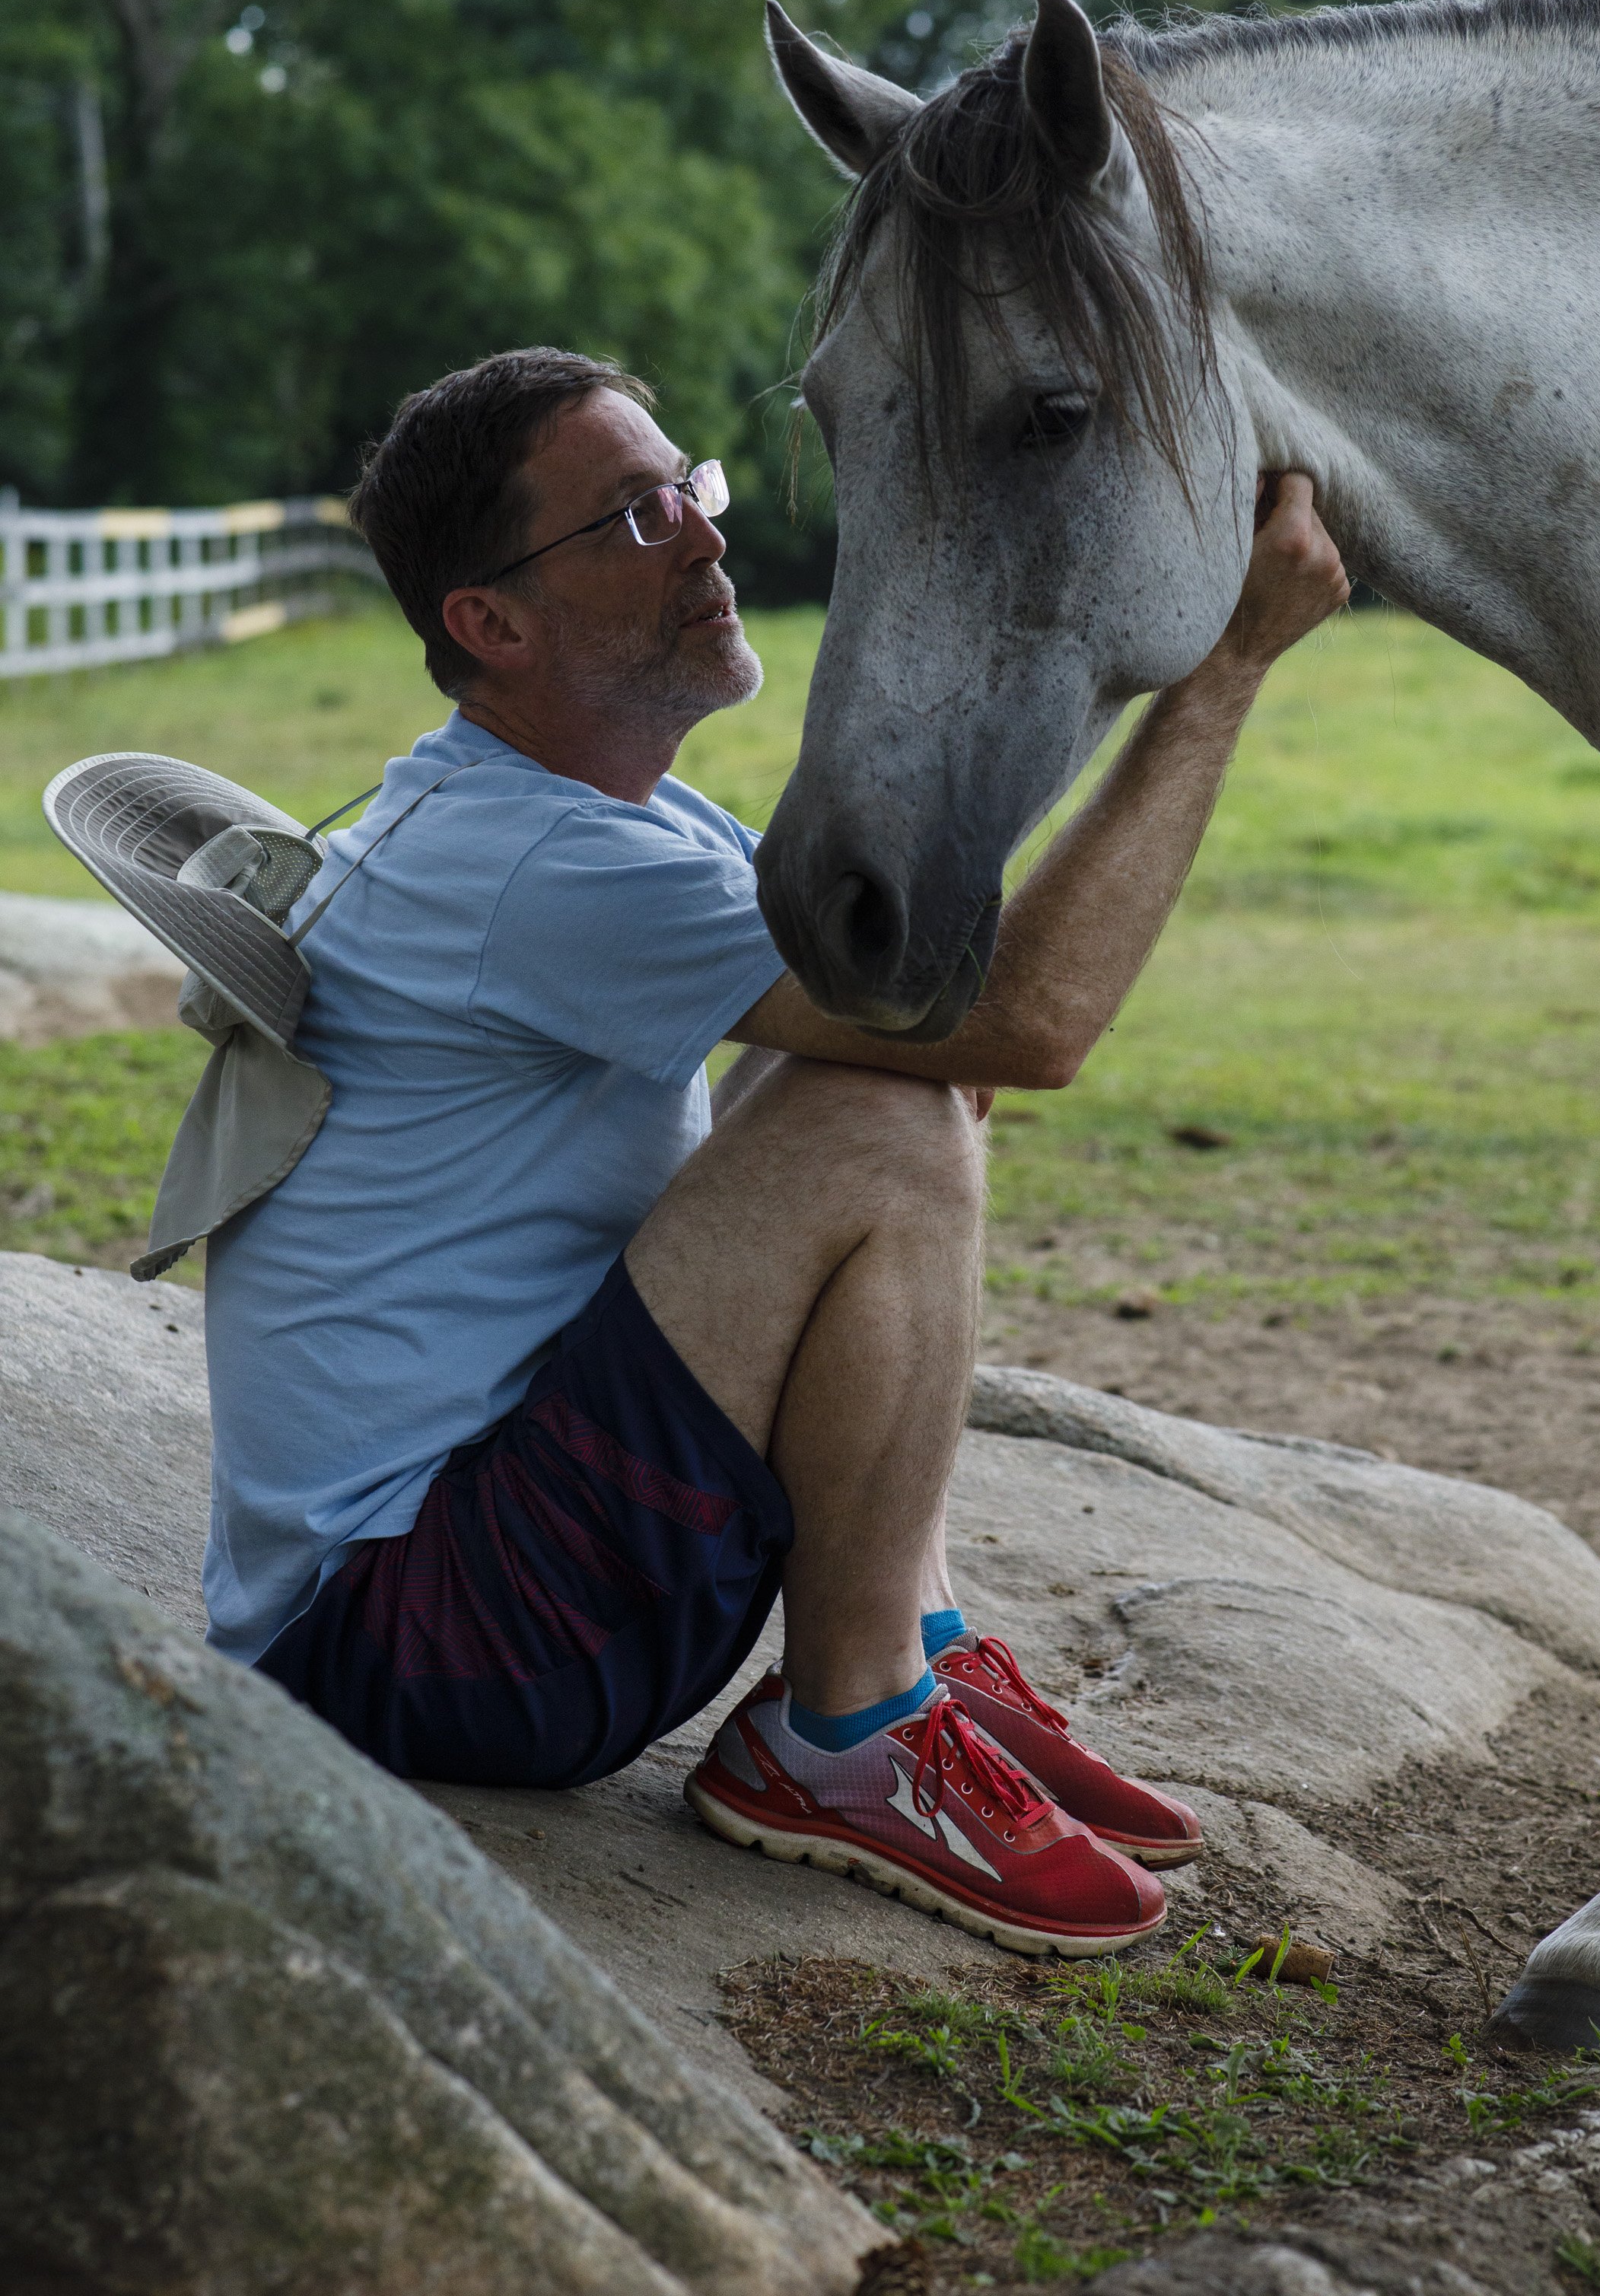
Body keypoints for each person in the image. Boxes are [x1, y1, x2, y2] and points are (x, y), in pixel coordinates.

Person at [213, 345, 1348, 1958]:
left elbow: (941, 1004)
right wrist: (1223, 667)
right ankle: (850, 1733)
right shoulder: (526, 862)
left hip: (461, 1575)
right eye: (631, 517)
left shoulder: (609, 819)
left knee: (897, 1075)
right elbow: (1031, 1024)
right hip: (421, 1648)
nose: (703, 537)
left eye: (693, 486)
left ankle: (914, 1652)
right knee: (883, 1107)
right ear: (492, 624)